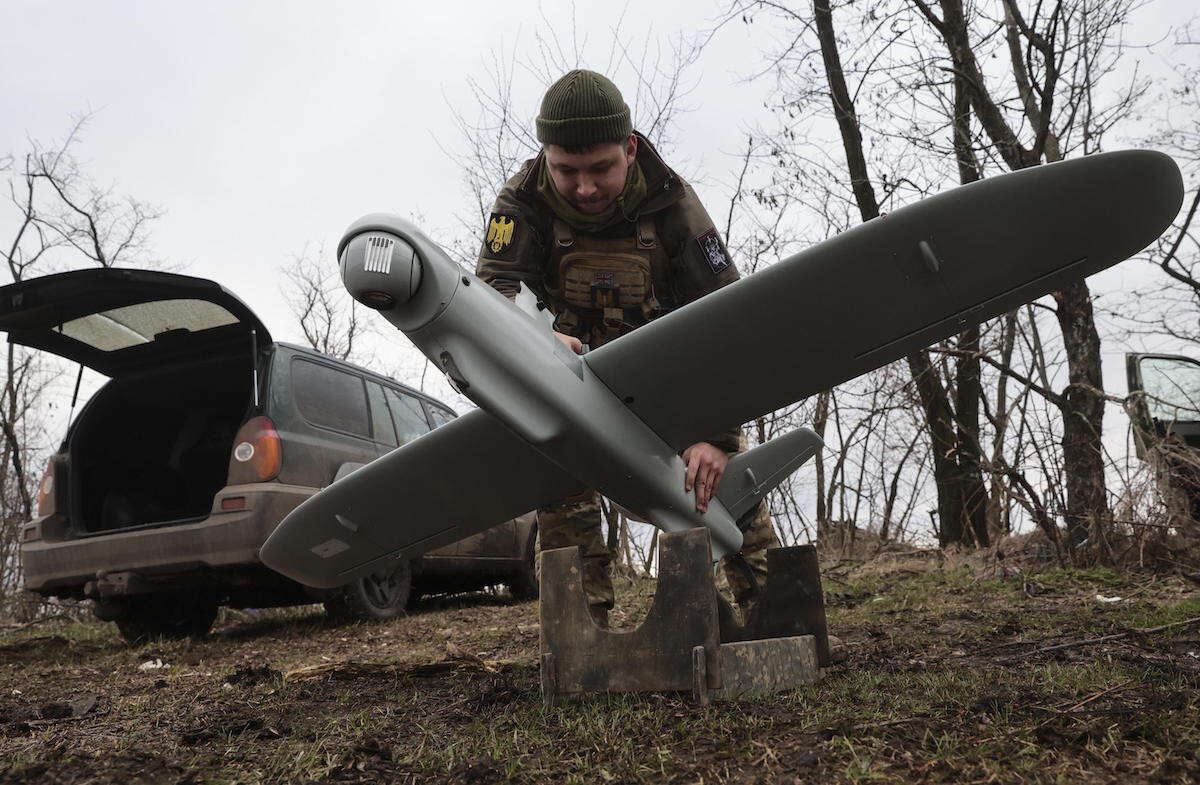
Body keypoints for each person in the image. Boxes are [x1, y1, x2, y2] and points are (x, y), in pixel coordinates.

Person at [475, 69, 780, 626]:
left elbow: (731, 321)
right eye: (566, 171)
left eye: (600, 169)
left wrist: (715, 436)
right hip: (569, 383)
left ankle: (776, 616)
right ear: (545, 156)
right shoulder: (520, 204)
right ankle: (580, 638)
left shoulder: (672, 205)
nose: (585, 188)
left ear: (630, 149)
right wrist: (532, 340)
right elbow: (490, 299)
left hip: (667, 382)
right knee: (561, 495)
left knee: (725, 487)